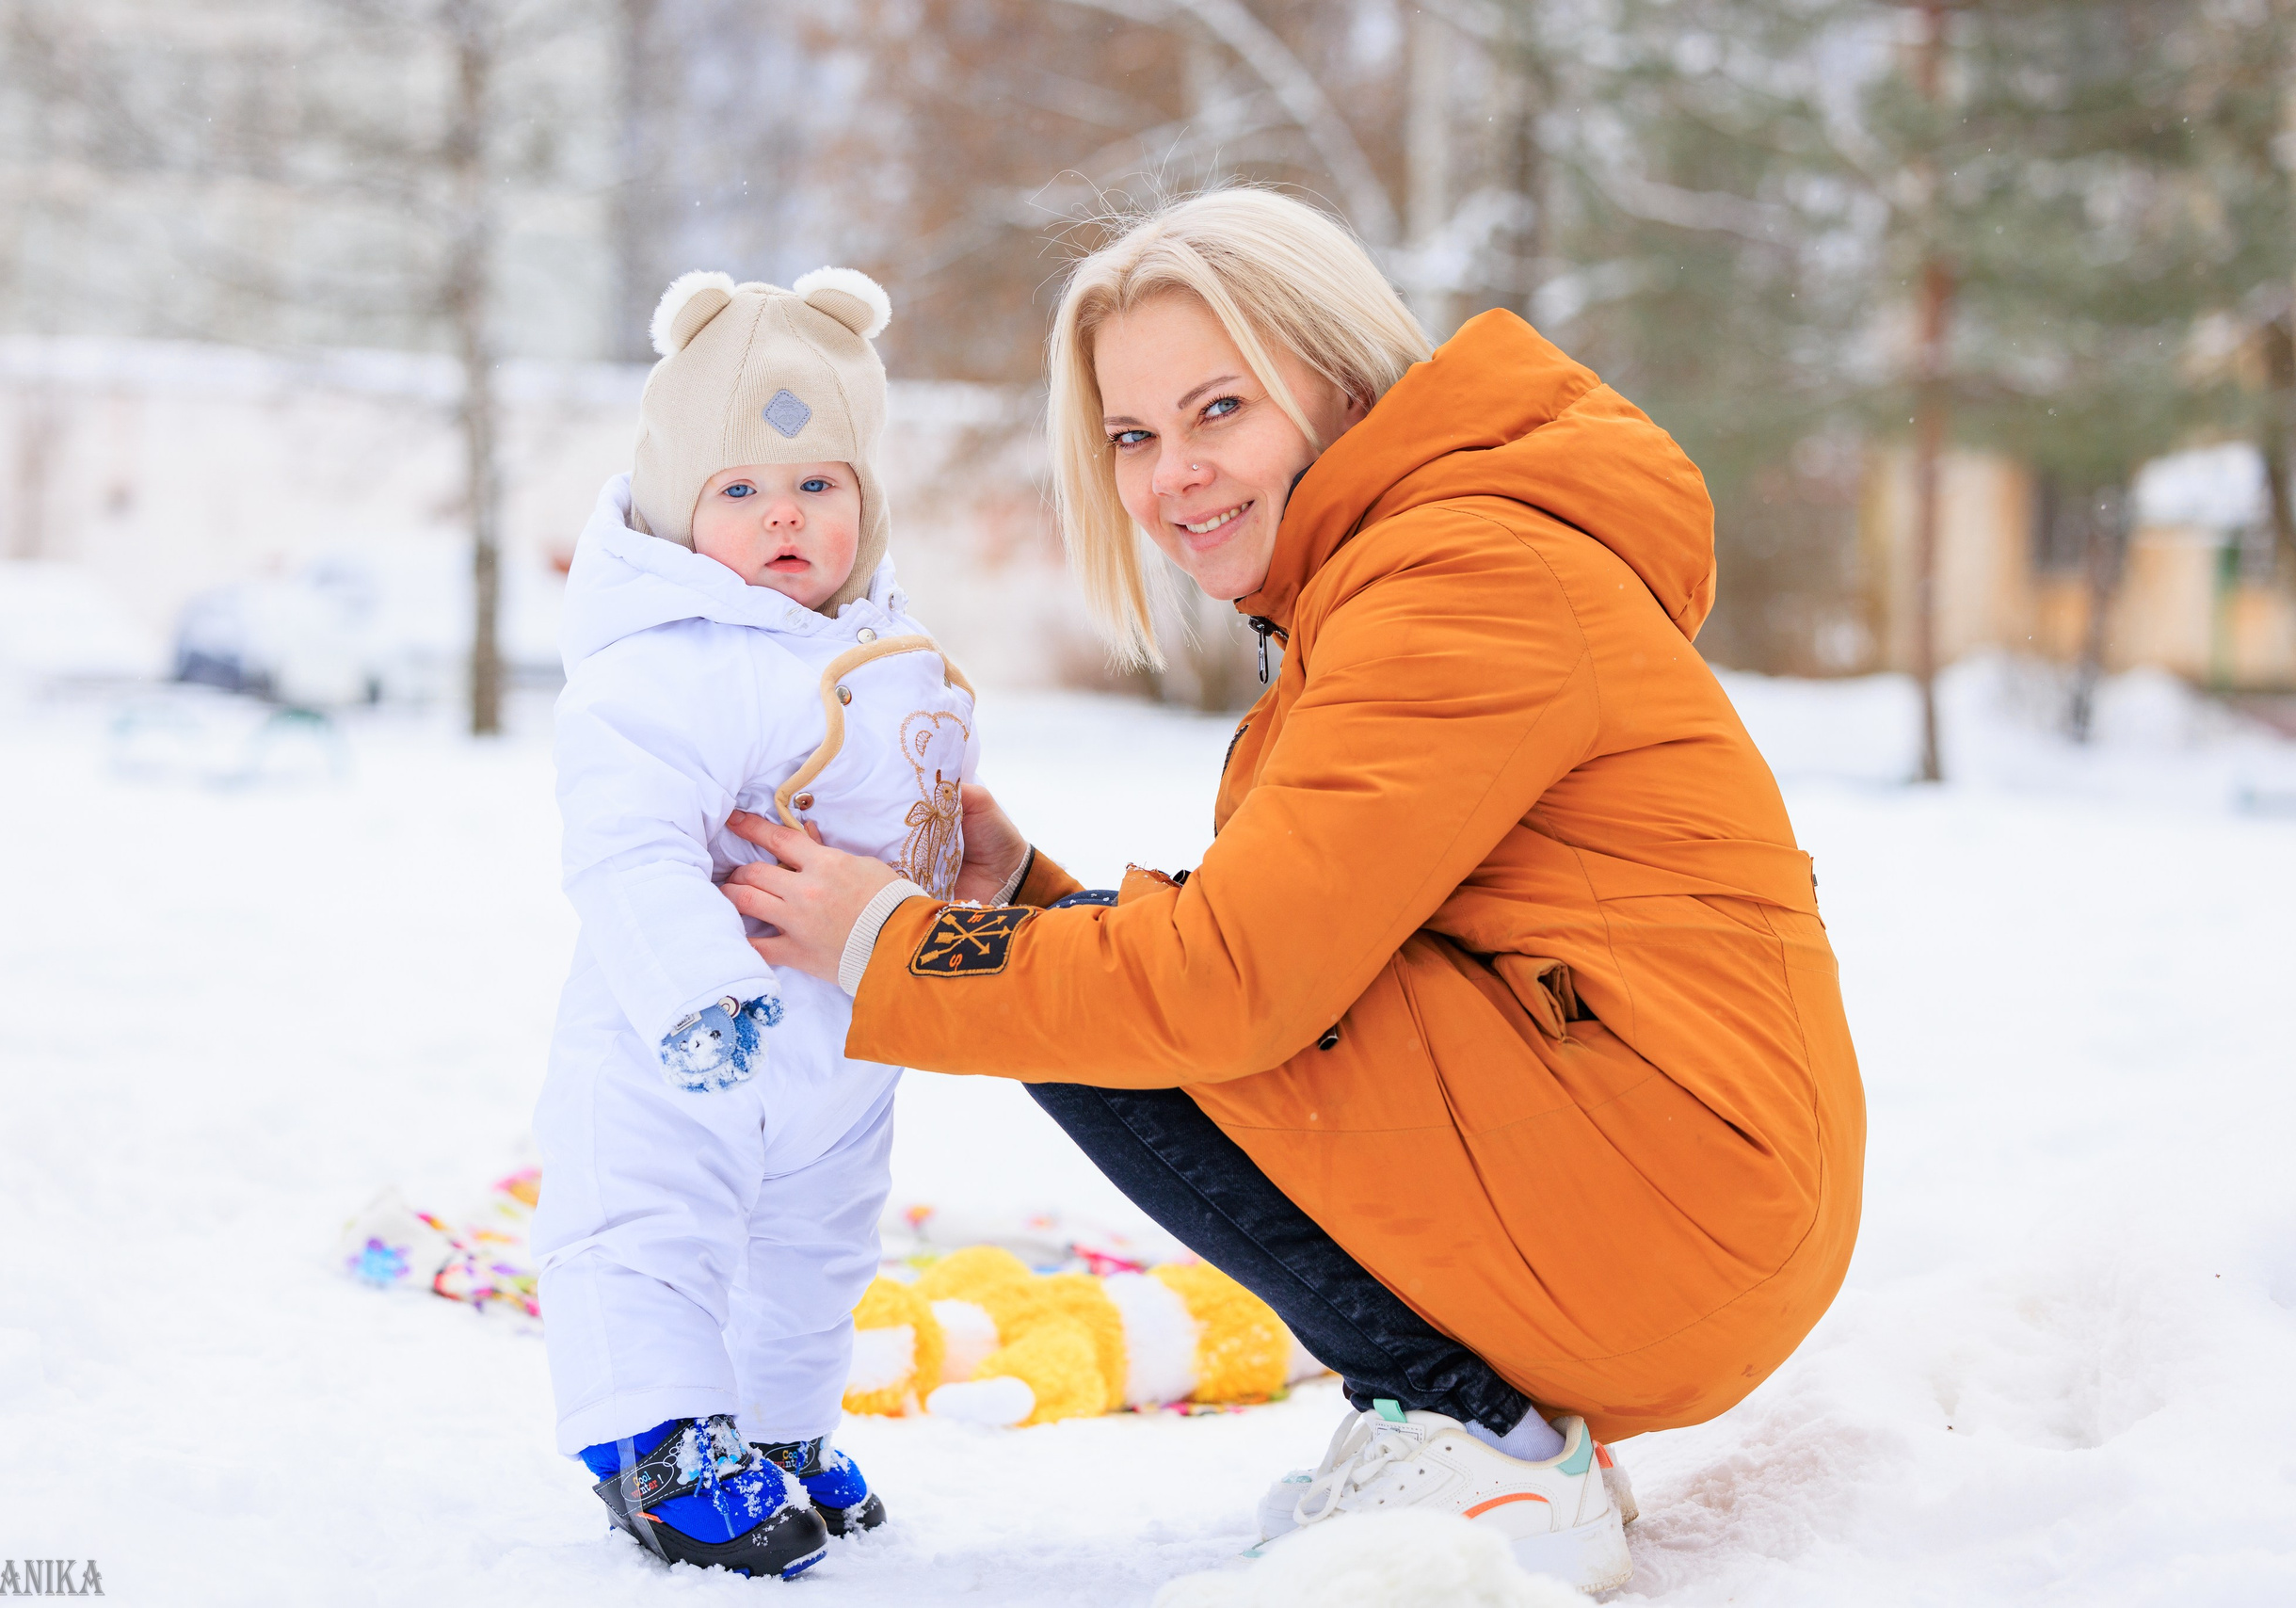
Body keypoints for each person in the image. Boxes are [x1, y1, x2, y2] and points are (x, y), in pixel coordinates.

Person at [720, 188, 1867, 1594]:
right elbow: (1292, 942)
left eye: (1220, 411)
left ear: (1334, 375)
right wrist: (1013, 894)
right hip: (1673, 1187)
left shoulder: (1460, 577)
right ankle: (1455, 1418)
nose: (1171, 476)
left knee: (1112, 990)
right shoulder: (1403, 569)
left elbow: (1232, 983)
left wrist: (891, 944)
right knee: (1074, 971)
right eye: (1133, 436)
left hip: (1671, 1211)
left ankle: (1488, 1440)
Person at [530, 267, 997, 1578]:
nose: (782, 515)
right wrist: (691, 991)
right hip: (683, 1042)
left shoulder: (892, 648)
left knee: (819, 1252)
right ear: (686, 510)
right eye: (740, 490)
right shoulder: (668, 663)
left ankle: (780, 1431)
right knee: (651, 1229)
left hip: (842, 1045)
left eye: (817, 486)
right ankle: (658, 1445)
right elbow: (624, 844)